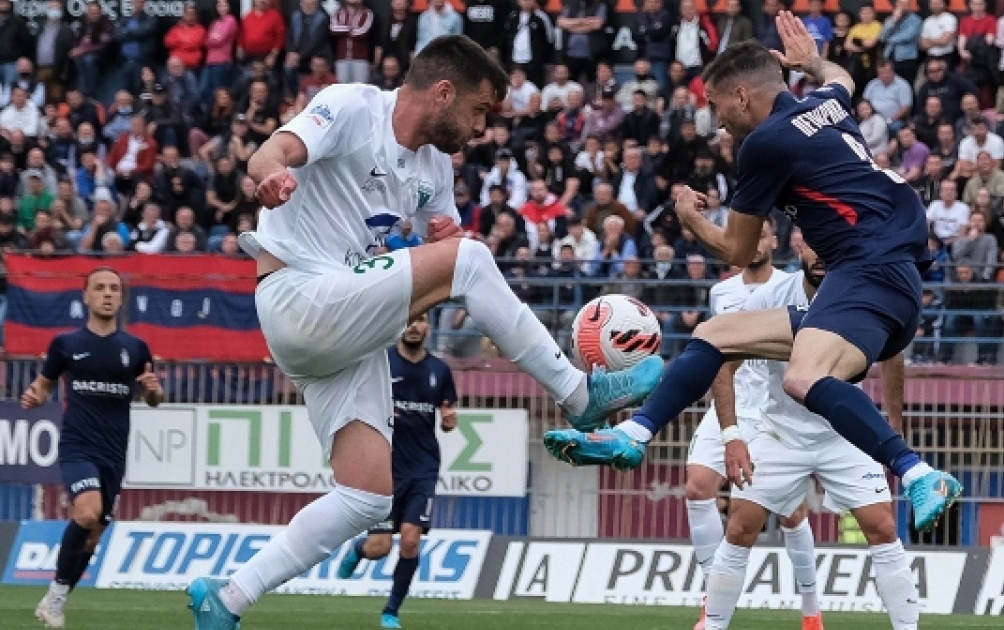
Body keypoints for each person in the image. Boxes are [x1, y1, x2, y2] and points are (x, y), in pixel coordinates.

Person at [186, 36, 663, 630]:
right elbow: (272, 150)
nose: (482, 128)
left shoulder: (434, 167)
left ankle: (228, 597)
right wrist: (271, 175)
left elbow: (446, 252)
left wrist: (445, 239)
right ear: (443, 93)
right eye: (479, 110)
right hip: (299, 293)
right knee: (472, 259)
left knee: (366, 498)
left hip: (340, 324)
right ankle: (577, 393)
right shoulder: (354, 107)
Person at [544, 19, 961, 534]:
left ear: (742, 96)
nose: (717, 121)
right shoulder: (826, 103)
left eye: (717, 105)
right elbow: (842, 78)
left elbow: (739, 250)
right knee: (714, 334)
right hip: (884, 278)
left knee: (803, 378)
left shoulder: (765, 143)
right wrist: (813, 62)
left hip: (869, 271)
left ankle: (919, 474)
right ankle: (633, 434)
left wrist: (690, 218)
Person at [702, 235, 915, 630]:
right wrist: (732, 435)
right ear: (799, 247)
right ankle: (713, 625)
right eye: (814, 245)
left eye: (828, 245)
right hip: (780, 433)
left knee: (883, 527)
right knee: (740, 527)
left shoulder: (862, 292)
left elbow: (893, 354)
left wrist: (894, 424)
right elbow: (722, 359)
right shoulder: (769, 297)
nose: (820, 255)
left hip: (845, 435)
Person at [680, 219, 815, 630]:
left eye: (762, 235)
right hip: (731, 404)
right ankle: (711, 599)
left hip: (773, 407)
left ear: (774, 240)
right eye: (748, 235)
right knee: (697, 487)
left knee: (791, 514)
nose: (755, 243)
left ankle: (811, 611)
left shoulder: (792, 285)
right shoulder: (721, 292)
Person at [23, 267, 162, 628]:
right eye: (99, 288)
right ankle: (55, 598)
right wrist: (35, 396)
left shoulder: (135, 348)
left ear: (121, 298)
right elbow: (43, 385)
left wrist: (152, 391)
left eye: (114, 288)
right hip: (77, 446)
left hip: (113, 452)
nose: (107, 294)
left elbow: (153, 398)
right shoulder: (65, 344)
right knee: (87, 512)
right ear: (86, 296)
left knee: (94, 533)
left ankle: (56, 598)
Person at [335, 314, 455, 629]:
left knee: (411, 541)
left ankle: (391, 611)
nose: (414, 326)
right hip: (384, 470)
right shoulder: (381, 364)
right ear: (399, 326)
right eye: (409, 320)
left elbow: (447, 410)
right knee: (379, 548)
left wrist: (448, 419)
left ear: (429, 327)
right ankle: (358, 549)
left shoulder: (439, 370)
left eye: (421, 320)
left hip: (423, 470)